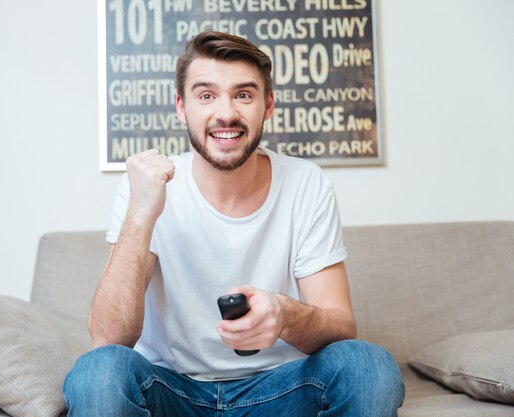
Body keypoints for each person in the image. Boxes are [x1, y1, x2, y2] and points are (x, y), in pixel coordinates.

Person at [63, 31, 404, 416]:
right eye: (206, 95)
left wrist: (284, 315)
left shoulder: (306, 183)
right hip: (171, 391)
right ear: (181, 106)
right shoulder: (145, 185)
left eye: (243, 94)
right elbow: (109, 339)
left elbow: (341, 326)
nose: (225, 113)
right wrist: (142, 213)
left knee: (368, 365)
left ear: (268, 104)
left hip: (279, 391)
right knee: (98, 370)